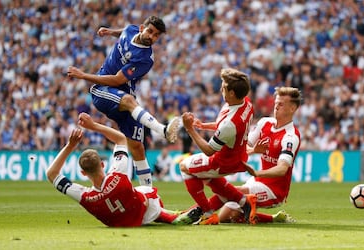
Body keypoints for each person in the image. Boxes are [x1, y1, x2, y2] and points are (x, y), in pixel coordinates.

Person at [67, 16, 180, 187]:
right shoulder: (131, 29)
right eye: (150, 31)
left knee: (137, 148)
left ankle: (149, 195)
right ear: (142, 28)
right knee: (128, 100)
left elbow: (117, 80)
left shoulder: (145, 59)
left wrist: (84, 75)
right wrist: (110, 32)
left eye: (156, 35)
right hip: (101, 91)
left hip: (120, 91)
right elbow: (124, 33)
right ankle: (162, 130)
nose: (152, 37)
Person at [46, 112, 197, 227]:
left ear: (83, 173)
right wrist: (93, 126)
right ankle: (168, 216)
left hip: (120, 222)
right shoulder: (118, 174)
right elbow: (121, 139)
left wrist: (70, 146)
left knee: (134, 197)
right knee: (144, 190)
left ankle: (169, 216)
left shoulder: (85, 197)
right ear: (103, 164)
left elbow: (52, 174)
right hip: (144, 212)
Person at [176, 68, 257, 225]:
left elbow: (208, 150)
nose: (221, 89)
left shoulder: (230, 124)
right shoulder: (246, 104)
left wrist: (189, 128)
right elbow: (225, 129)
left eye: (224, 87)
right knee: (205, 175)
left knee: (184, 167)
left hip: (223, 161)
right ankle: (244, 202)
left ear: (232, 93)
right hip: (238, 156)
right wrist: (204, 126)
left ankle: (207, 213)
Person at [217, 86, 302, 224]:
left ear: (292, 108)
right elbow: (243, 146)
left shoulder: (290, 136)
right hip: (256, 183)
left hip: (274, 191)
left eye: (281, 104)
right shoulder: (265, 123)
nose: (276, 107)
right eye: (276, 103)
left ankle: (199, 212)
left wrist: (257, 173)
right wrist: (253, 150)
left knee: (231, 191)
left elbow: (282, 169)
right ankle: (274, 218)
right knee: (226, 216)